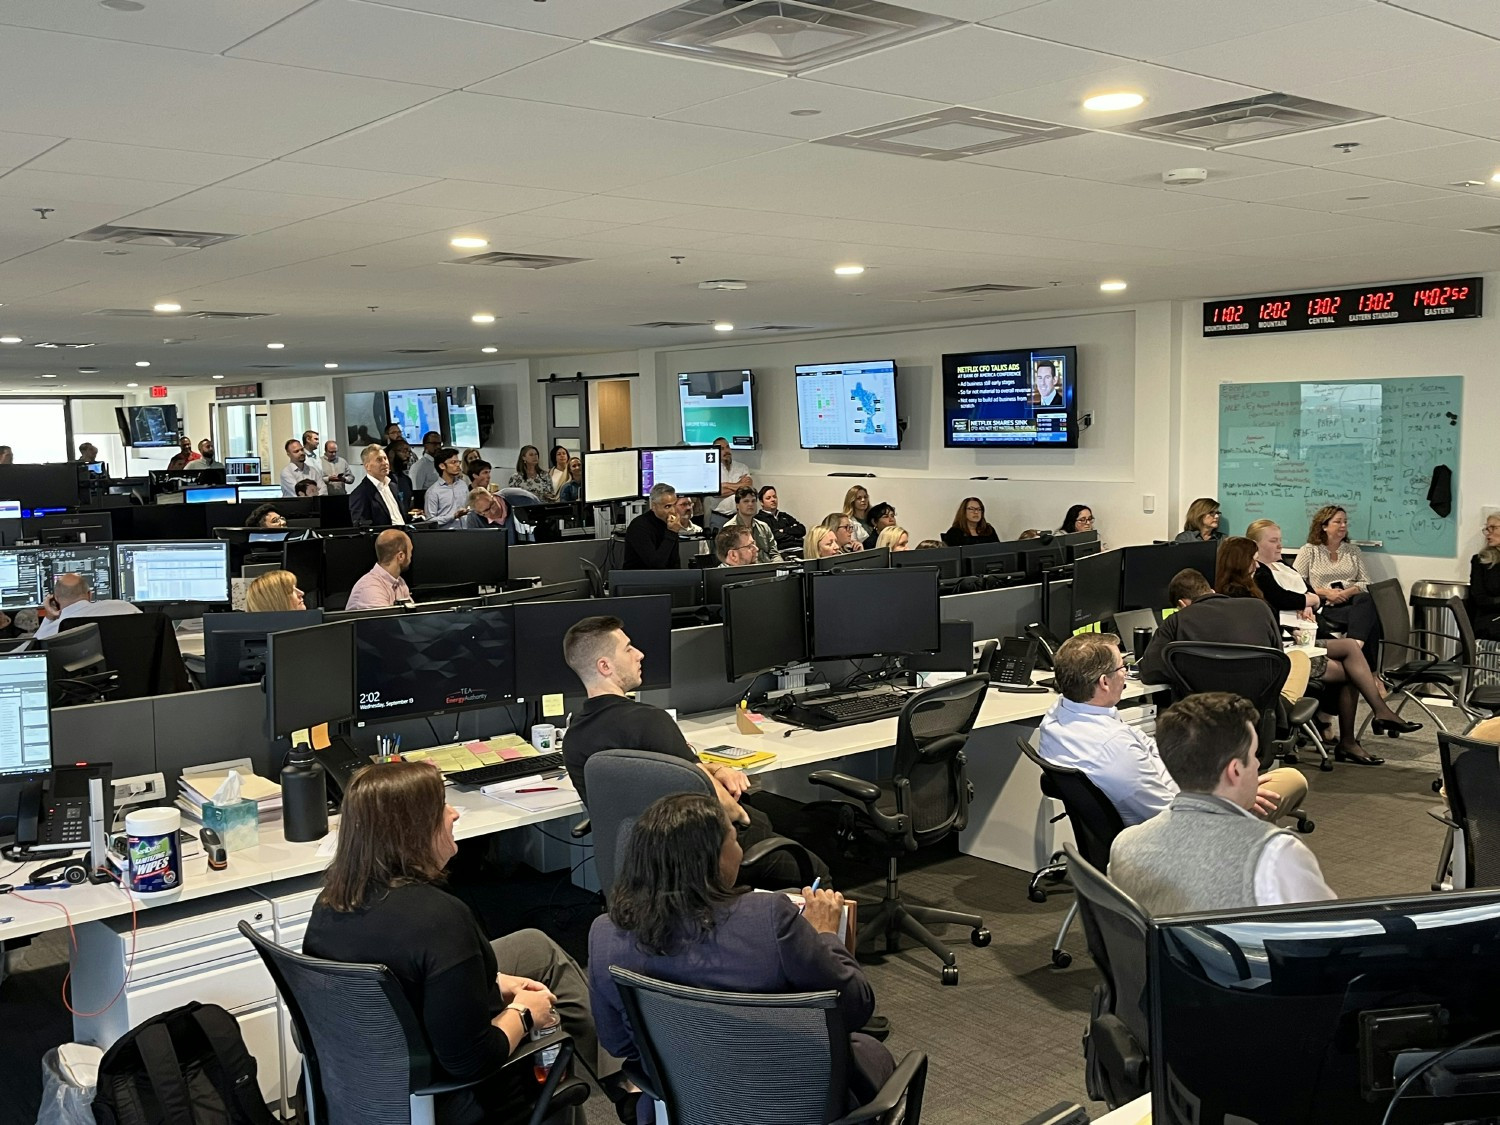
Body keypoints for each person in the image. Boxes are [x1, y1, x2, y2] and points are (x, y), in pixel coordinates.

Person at [304, 762, 622, 1125]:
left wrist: (494, 980)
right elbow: (471, 1060)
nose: (453, 814)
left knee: (534, 948)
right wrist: (524, 1010)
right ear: (413, 830)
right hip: (452, 1098)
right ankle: (625, 1086)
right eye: (441, 805)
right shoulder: (441, 919)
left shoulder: (331, 904)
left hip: (359, 1086)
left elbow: (401, 977)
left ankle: (619, 1078)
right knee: (550, 1043)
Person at [588, 793, 891, 1115]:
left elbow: (619, 1043)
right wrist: (826, 933)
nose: (741, 852)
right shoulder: (769, 918)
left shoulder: (606, 934)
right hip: (793, 1097)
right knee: (871, 1053)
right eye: (734, 840)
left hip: (686, 1102)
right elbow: (856, 1004)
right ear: (713, 859)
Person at [560, 616, 828, 887]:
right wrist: (746, 821)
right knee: (816, 870)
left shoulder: (574, 740)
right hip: (706, 854)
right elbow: (720, 801)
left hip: (642, 866)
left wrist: (716, 768)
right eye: (628, 648)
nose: (639, 654)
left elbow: (658, 773)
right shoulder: (649, 721)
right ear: (605, 666)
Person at [1037, 632, 1306, 827]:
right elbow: (1170, 816)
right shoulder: (1113, 747)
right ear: (1104, 682)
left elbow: (1153, 752)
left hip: (1178, 796)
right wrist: (1226, 796)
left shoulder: (1057, 716)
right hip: (1181, 830)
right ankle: (1248, 853)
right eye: (1123, 667)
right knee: (1291, 780)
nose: (1126, 673)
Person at [1109, 693, 1335, 914]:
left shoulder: (1124, 845)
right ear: (1235, 770)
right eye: (1255, 754)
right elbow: (1326, 935)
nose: (1257, 764)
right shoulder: (1276, 853)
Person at [1228, 531, 1418, 763]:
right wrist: (1306, 605)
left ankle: (1372, 717)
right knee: (1352, 670)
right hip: (1284, 655)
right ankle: (1358, 732)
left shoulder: (1254, 583)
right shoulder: (1250, 592)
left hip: (1290, 640)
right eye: (1252, 560)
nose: (1256, 565)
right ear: (1242, 563)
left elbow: (1290, 602)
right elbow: (1276, 616)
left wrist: (1306, 604)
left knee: (1352, 644)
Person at [1294, 505, 1381, 662]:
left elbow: (1366, 582)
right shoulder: (1309, 551)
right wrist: (1327, 593)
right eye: (1338, 522)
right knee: (1371, 621)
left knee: (1367, 600)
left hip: (1350, 603)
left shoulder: (1353, 551)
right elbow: (1296, 583)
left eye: (1345, 522)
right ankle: (1371, 674)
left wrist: (1345, 593)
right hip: (1324, 605)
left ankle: (1354, 647)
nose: (1343, 526)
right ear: (1324, 526)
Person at [33, 573, 141, 641]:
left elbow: (29, 650)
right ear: (89, 594)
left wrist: (49, 618)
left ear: (56, 598)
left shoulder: (56, 628)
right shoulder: (125, 607)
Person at [345, 528, 414, 610]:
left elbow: (412, 616)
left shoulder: (400, 582)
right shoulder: (370, 588)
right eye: (410, 552)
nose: (411, 557)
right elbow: (386, 622)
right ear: (401, 556)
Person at [622, 482, 684, 569]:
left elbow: (674, 562)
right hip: (640, 579)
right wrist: (671, 533)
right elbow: (656, 565)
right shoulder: (639, 527)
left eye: (674, 505)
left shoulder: (669, 524)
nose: (673, 511)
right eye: (667, 506)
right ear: (653, 506)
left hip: (666, 579)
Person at [348, 444, 407, 527]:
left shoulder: (393, 486)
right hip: (384, 538)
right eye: (379, 460)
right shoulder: (360, 494)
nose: (385, 463)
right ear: (367, 466)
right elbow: (363, 528)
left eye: (385, 458)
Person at [1468, 512, 1500, 640]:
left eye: (1493, 528)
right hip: (1490, 619)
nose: (1488, 533)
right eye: (1487, 529)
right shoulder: (1480, 561)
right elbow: (1479, 599)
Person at [423, 447, 472, 529]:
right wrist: (453, 516)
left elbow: (468, 507)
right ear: (442, 466)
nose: (458, 465)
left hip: (466, 531)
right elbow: (430, 521)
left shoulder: (463, 485)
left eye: (458, 462)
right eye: (453, 462)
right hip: (446, 535)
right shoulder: (433, 491)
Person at [727, 487, 779, 561]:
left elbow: (774, 554)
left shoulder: (764, 527)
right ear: (737, 505)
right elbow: (729, 559)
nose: (750, 504)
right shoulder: (729, 529)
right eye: (746, 501)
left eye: (753, 501)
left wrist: (779, 568)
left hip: (766, 568)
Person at [711, 437, 752, 522]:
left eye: (727, 447)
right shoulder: (711, 469)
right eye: (722, 449)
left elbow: (748, 487)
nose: (726, 451)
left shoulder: (742, 467)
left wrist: (725, 485)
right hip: (719, 517)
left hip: (739, 516)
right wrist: (740, 486)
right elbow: (716, 492)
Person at [754, 486, 804, 555]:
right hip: (781, 553)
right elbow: (774, 536)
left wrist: (784, 530)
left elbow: (802, 529)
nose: (773, 500)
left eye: (774, 497)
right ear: (761, 502)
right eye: (768, 498)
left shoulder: (784, 515)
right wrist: (794, 535)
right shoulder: (759, 519)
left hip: (800, 549)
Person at [386, 440, 416, 513]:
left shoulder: (406, 480)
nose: (408, 455)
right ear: (391, 453)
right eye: (404, 451)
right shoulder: (383, 479)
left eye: (409, 452)